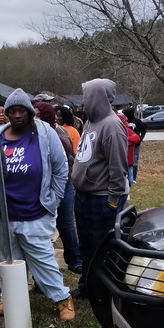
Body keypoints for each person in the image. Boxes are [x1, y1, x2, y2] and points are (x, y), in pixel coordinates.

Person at [0, 89, 75, 321]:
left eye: (21, 110)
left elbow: (61, 168)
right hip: (4, 213)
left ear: (30, 112)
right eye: (12, 111)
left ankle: (62, 298)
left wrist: (55, 198)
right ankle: (11, 297)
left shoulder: (44, 132)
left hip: (35, 211)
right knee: (9, 259)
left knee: (42, 257)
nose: (17, 115)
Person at [71, 79, 129, 299]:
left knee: (102, 247)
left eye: (87, 95)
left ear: (98, 96)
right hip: (84, 195)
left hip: (102, 198)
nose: (84, 101)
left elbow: (118, 167)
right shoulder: (90, 122)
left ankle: (104, 291)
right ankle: (88, 286)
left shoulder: (112, 126)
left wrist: (113, 199)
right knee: (86, 245)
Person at [33, 101, 82, 274]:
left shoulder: (59, 134)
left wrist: (61, 186)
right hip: (39, 186)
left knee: (66, 224)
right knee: (43, 229)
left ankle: (75, 259)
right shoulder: (31, 133)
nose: (34, 117)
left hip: (63, 183)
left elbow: (69, 160)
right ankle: (43, 268)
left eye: (38, 115)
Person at [122, 106, 146, 184]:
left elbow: (143, 130)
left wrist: (140, 138)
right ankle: (126, 177)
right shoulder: (124, 122)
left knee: (134, 161)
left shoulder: (138, 122)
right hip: (126, 145)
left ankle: (133, 178)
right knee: (125, 161)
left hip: (136, 145)